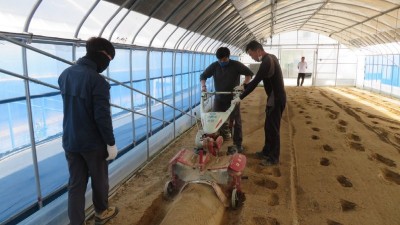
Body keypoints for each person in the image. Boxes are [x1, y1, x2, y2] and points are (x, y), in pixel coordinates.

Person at [58, 37, 119, 225]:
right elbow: (102, 117)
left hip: (70, 139)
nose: (108, 64)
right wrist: (111, 143)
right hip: (92, 142)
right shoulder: (97, 81)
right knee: (99, 179)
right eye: (110, 59)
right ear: (102, 55)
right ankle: (101, 211)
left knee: (75, 184)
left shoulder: (65, 74)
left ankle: (76, 222)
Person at [231, 40, 286, 166]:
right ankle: (266, 151)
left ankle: (273, 158)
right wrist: (243, 87)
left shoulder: (267, 62)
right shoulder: (271, 58)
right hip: (273, 98)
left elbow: (256, 81)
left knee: (273, 129)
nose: (252, 57)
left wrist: (241, 97)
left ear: (258, 51)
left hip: (276, 99)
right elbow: (257, 80)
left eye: (251, 55)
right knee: (268, 127)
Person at [200, 47, 253, 153]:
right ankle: (216, 140)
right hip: (219, 98)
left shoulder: (236, 65)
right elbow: (203, 76)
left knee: (236, 121)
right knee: (214, 119)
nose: (221, 62)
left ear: (228, 57)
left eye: (224, 60)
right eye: (220, 60)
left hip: (233, 98)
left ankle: (238, 144)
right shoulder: (215, 66)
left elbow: (249, 74)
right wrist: (203, 86)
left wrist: (243, 85)